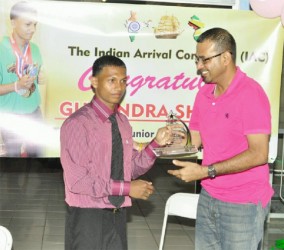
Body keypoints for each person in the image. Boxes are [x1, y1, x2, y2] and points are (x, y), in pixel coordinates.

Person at [168, 27, 273, 250]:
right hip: (209, 196)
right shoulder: (204, 94)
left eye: (204, 60)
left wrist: (206, 171)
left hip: (244, 202)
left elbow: (259, 153)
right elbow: (193, 141)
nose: (198, 67)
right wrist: (167, 142)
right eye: (197, 59)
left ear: (226, 58)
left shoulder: (250, 94)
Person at [60, 55, 176, 250]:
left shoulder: (122, 122)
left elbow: (128, 169)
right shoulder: (77, 124)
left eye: (123, 81)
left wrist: (156, 144)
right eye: (111, 80)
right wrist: (128, 189)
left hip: (117, 213)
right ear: (94, 82)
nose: (119, 87)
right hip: (88, 215)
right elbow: (78, 181)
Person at [0, 1, 45, 157]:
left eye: (35, 25)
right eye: (28, 24)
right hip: (9, 116)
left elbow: (33, 76)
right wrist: (16, 85)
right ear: (13, 22)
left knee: (38, 160)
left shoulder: (36, 49)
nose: (32, 29)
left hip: (34, 112)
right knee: (12, 164)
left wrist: (39, 78)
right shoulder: (1, 49)